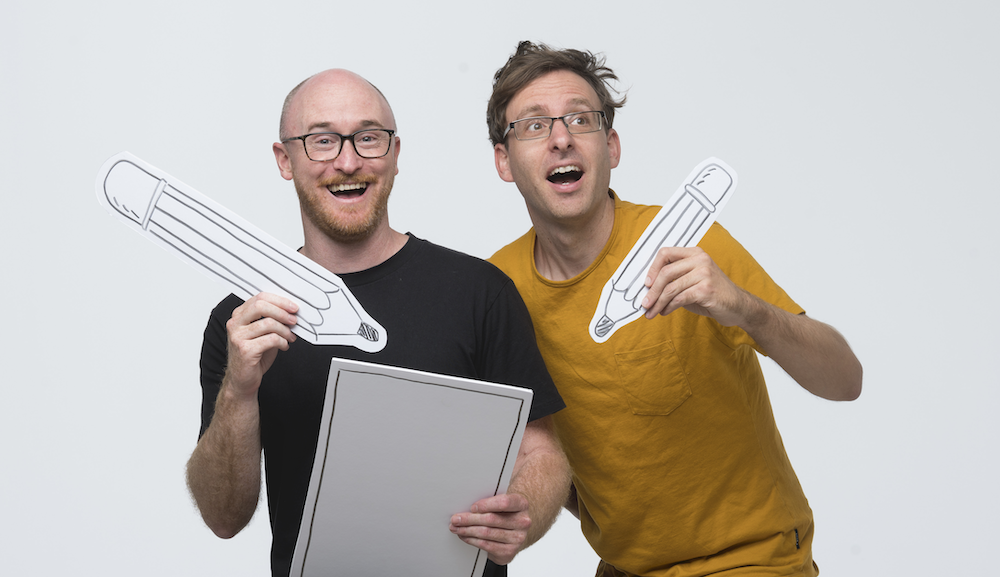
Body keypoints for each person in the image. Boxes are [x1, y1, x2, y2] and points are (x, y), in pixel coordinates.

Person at [486, 41, 863, 577]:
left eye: (580, 119)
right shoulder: (499, 290)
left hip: (753, 562)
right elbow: (539, 452)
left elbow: (845, 379)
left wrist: (744, 309)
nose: (561, 139)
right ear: (504, 160)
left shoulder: (687, 241)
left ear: (611, 146)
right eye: (534, 125)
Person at [185, 68, 570, 577]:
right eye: (322, 141)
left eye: (368, 138)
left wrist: (520, 510)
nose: (348, 161)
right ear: (285, 159)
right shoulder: (243, 322)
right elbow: (223, 517)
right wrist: (238, 389)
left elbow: (542, 450)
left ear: (394, 153)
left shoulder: (479, 292)